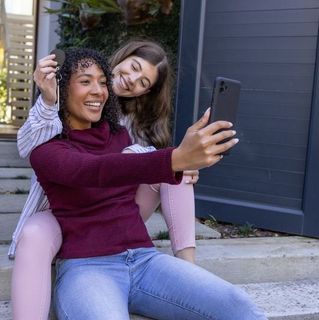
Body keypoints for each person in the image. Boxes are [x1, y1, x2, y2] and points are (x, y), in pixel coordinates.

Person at [29, 47, 265, 320]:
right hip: (87, 267)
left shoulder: (120, 135)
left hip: (144, 259)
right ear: (60, 87)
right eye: (85, 81)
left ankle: (188, 266)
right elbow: (96, 170)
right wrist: (174, 159)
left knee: (238, 305)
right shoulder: (46, 148)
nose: (98, 90)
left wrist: (179, 163)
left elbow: (133, 165)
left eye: (103, 83)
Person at [10, 40, 199, 319]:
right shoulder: (66, 95)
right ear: (121, 57)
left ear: (146, 92)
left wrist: (175, 165)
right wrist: (49, 99)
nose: (132, 80)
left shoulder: (131, 120)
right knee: (35, 233)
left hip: (111, 205)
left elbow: (136, 165)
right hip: (63, 207)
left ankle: (189, 273)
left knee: (178, 175)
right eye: (133, 67)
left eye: (144, 82)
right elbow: (30, 144)